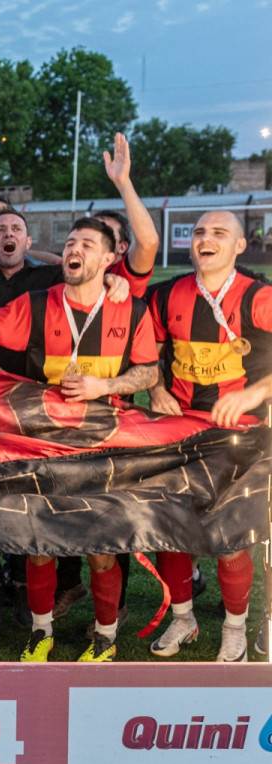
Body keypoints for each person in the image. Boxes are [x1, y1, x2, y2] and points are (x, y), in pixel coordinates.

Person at [0, 217, 160, 663]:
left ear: (110, 259)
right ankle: (41, 633)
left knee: (100, 551)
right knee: (40, 548)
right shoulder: (36, 304)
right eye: (71, 242)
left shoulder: (130, 308)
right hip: (42, 447)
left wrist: (104, 387)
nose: (75, 248)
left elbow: (149, 371)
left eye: (88, 244)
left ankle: (106, 637)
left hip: (102, 449)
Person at [146, 210, 271, 663]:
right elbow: (148, 352)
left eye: (220, 232)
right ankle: (183, 618)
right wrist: (156, 388)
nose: (206, 238)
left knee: (229, 533)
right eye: (200, 231)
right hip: (179, 429)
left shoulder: (257, 296)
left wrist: (255, 392)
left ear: (240, 245)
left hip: (241, 434)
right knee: (170, 529)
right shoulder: (168, 294)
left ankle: (234, 629)